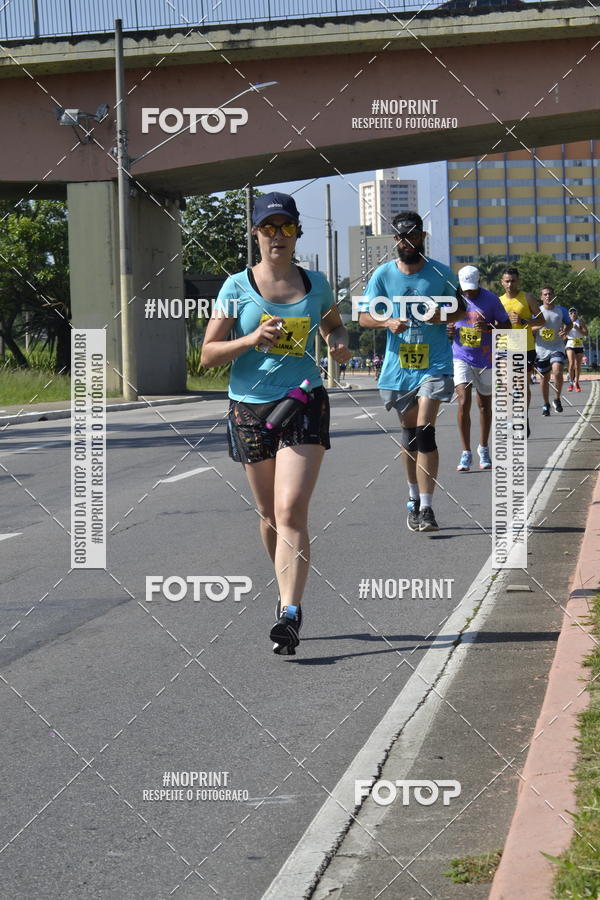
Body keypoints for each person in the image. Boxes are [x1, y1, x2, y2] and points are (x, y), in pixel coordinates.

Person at [201, 191, 350, 655]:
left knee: (290, 510)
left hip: (303, 400)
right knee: (268, 516)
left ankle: (289, 611)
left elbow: (334, 327)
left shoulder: (316, 283)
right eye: (269, 227)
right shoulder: (235, 287)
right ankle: (285, 585)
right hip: (249, 407)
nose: (278, 236)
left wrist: (340, 345)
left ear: (296, 232)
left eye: (286, 227)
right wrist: (250, 338)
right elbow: (207, 355)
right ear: (256, 233)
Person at [358, 211, 465, 532]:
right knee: (409, 438)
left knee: (424, 432)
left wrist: (442, 317)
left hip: (434, 365)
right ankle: (413, 498)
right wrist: (386, 321)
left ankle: (429, 508)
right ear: (395, 241)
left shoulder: (441, 274)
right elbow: (363, 318)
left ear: (422, 237)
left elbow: (460, 310)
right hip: (399, 368)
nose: (408, 243)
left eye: (413, 236)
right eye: (402, 238)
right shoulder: (383, 276)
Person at [451, 265, 511, 471]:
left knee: (484, 405)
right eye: (465, 289)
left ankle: (483, 447)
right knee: (463, 401)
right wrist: (447, 328)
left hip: (486, 358)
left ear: (479, 282)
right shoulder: (453, 298)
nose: (468, 293)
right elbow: (441, 323)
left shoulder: (491, 299)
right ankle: (465, 452)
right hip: (461, 356)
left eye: (472, 289)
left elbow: (507, 327)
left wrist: (489, 327)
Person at [498, 266, 541, 436]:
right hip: (503, 346)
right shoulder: (498, 301)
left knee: (521, 386)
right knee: (506, 383)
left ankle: (523, 416)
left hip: (525, 346)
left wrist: (524, 320)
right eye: (507, 281)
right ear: (502, 282)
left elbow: (542, 320)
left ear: (518, 281)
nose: (510, 284)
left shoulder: (527, 298)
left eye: (513, 281)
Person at [532, 286, 570, 415]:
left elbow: (569, 323)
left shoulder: (561, 310)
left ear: (554, 296)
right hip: (541, 349)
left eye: (550, 294)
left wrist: (566, 330)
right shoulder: (537, 312)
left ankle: (557, 399)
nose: (548, 296)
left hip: (557, 346)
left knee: (558, 371)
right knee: (544, 378)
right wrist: (536, 328)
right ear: (541, 297)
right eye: (545, 294)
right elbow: (529, 327)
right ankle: (546, 404)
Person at [565, 307, 588, 392]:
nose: (573, 314)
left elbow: (586, 333)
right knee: (571, 364)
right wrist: (569, 328)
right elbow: (564, 334)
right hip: (570, 343)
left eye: (574, 312)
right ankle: (571, 382)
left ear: (576, 313)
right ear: (569, 314)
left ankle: (577, 382)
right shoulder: (567, 322)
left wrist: (578, 328)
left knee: (577, 365)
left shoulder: (580, 321)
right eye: (571, 313)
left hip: (579, 344)